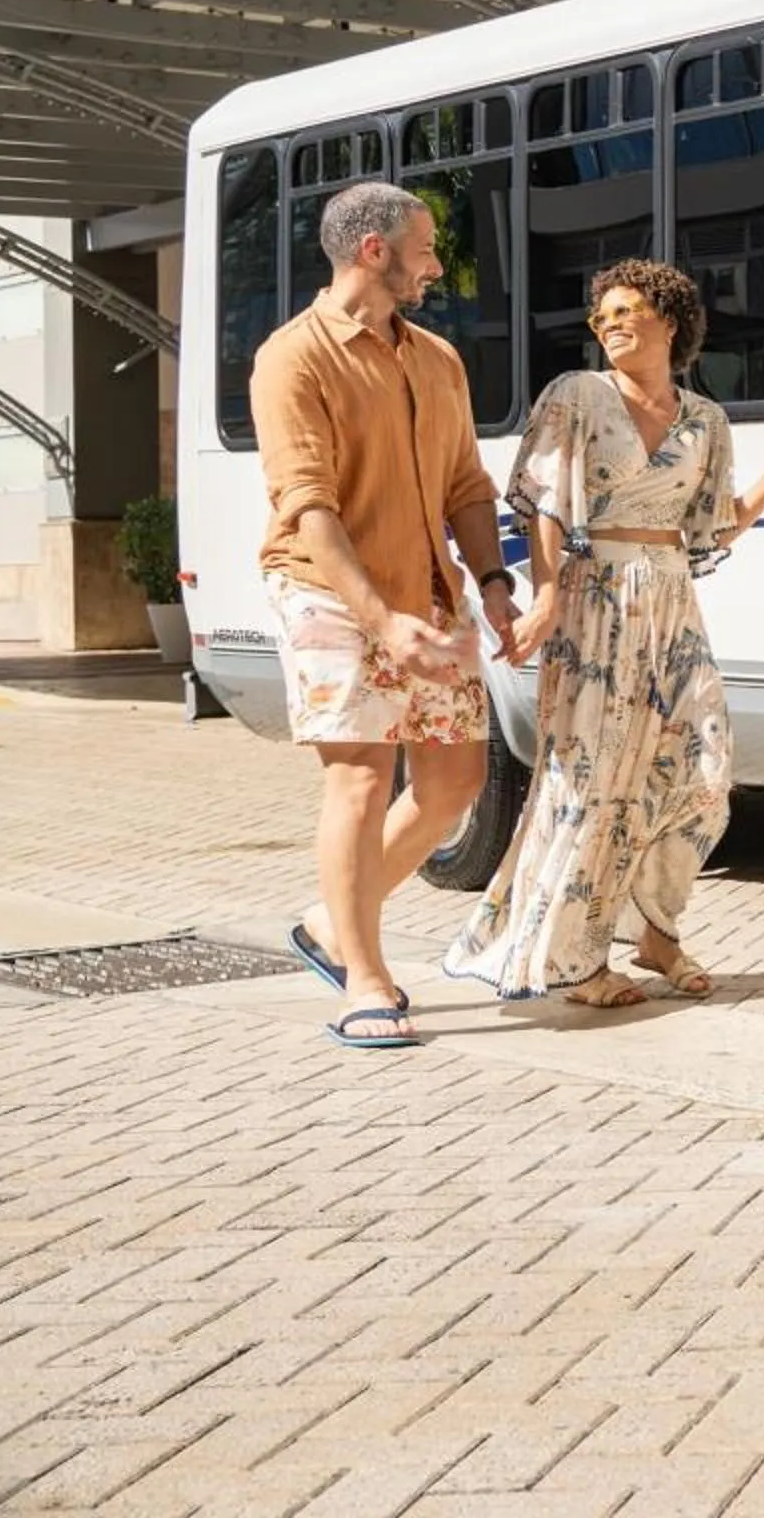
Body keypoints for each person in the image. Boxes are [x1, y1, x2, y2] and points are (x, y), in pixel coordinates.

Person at [441, 260, 764, 1008]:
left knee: (703, 768)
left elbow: (712, 528)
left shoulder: (705, 420)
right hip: (596, 600)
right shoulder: (579, 396)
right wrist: (547, 593)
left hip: (671, 601)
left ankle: (655, 926)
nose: (611, 324)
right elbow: (544, 504)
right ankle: (578, 959)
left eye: (627, 311)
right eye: (602, 316)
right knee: (594, 780)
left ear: (671, 320)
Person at [258, 181, 520, 1050]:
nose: (436, 263)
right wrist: (379, 619)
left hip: (430, 592)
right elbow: (308, 506)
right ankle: (363, 977)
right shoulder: (292, 358)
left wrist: (489, 582)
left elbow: (465, 486)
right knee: (364, 778)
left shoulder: (437, 359)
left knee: (455, 785)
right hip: (329, 593)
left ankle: (333, 923)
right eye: (425, 246)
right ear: (374, 251)